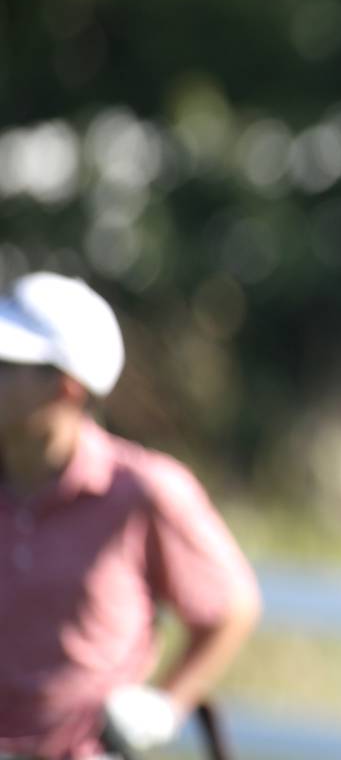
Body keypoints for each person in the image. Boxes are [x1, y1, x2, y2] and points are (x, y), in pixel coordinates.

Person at [0, 272, 261, 759]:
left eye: (8, 363)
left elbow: (231, 607)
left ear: (68, 387)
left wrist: (164, 706)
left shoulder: (143, 491)